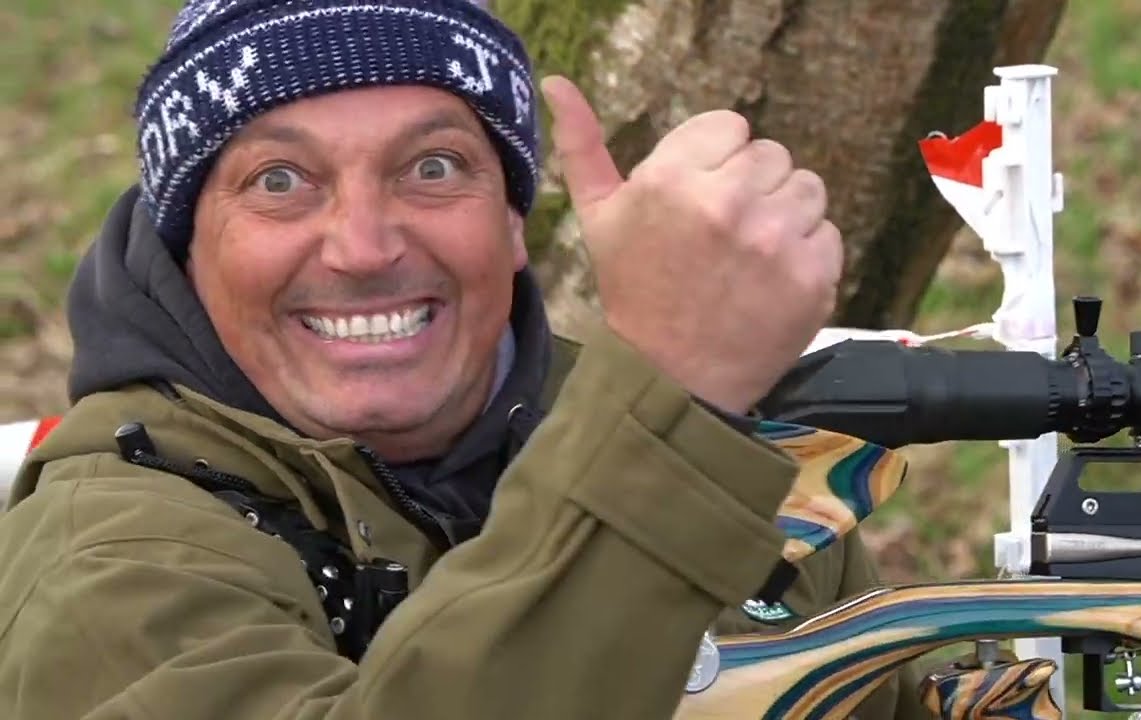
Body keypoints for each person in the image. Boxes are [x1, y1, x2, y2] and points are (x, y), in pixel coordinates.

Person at [0, 0, 932, 717]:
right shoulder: (112, 559)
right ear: (186, 249)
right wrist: (669, 418)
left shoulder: (712, 444)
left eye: (433, 167)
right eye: (279, 181)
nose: (364, 248)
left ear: (514, 220)